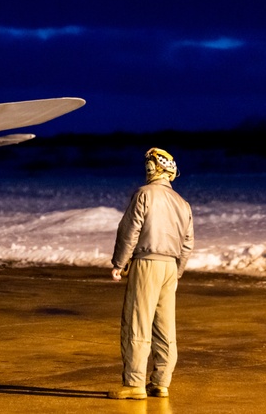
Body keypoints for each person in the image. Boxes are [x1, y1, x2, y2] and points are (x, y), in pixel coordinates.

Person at [108, 147, 194, 400]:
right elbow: (188, 243)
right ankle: (160, 382)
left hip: (146, 263)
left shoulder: (144, 194)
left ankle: (134, 384)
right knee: (165, 327)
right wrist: (177, 272)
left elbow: (130, 230)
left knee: (137, 322)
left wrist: (119, 262)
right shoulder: (183, 203)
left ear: (152, 169)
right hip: (170, 267)